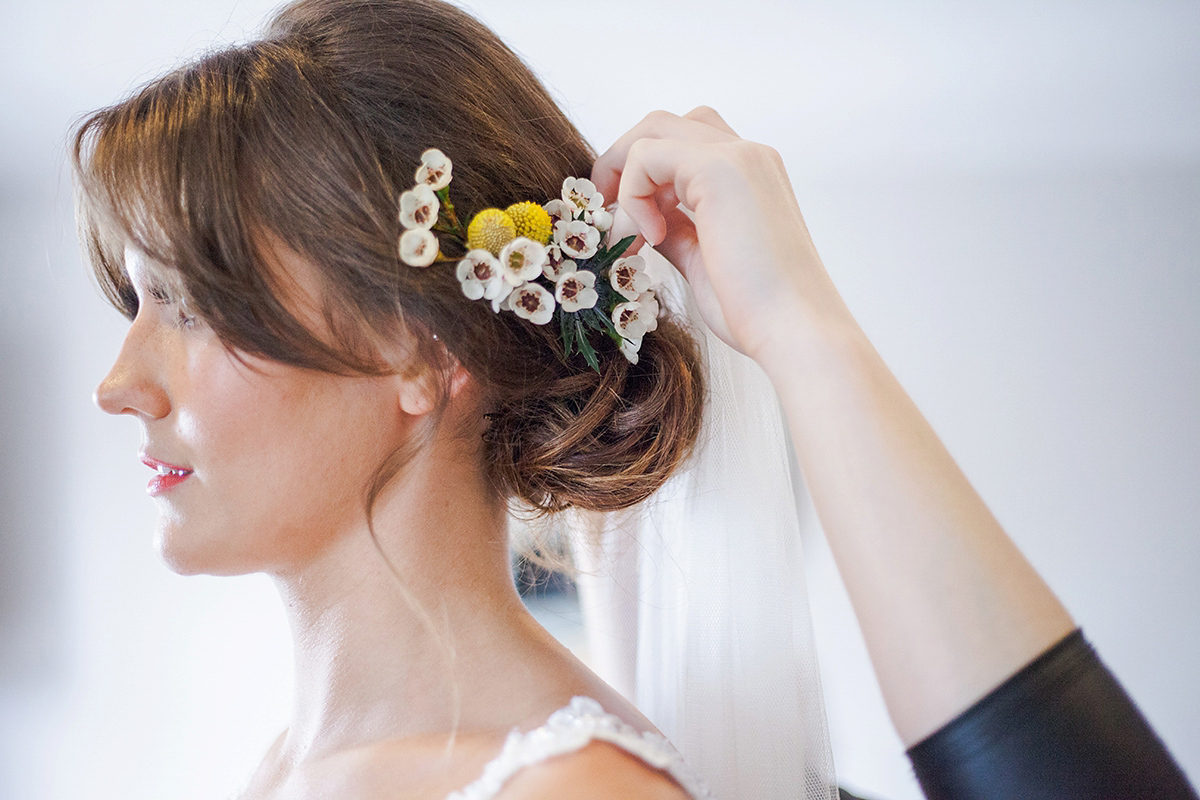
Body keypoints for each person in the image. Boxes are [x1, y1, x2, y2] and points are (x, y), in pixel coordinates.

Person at [73, 0, 1196, 798]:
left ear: (417, 344)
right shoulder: (284, 764)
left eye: (187, 303)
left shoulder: (572, 790)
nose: (118, 384)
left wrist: (800, 323)